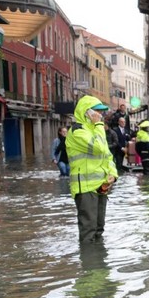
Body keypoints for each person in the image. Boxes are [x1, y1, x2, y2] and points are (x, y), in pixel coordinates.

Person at [66, 95, 119, 243]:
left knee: (99, 229)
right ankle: (89, 264)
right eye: (97, 111)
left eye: (101, 112)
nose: (100, 115)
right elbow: (98, 148)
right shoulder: (77, 131)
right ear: (87, 112)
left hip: (101, 186)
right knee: (88, 231)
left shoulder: (95, 131)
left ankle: (99, 264)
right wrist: (99, 125)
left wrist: (113, 175)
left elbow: (108, 156)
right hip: (85, 188)